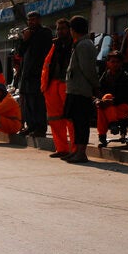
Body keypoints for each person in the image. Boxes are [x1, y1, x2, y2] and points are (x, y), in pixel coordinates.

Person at [62, 15, 100, 163]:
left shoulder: (85, 45)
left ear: (73, 30)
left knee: (81, 123)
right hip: (75, 90)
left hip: (81, 91)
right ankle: (76, 150)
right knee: (76, 123)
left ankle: (81, 153)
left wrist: (96, 87)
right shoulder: (80, 43)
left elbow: (88, 69)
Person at [41, 19, 74, 158]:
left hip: (67, 84)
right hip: (52, 85)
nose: (60, 31)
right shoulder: (55, 45)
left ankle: (75, 150)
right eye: (58, 28)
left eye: (63, 28)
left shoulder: (74, 44)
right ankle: (61, 149)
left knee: (70, 119)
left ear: (69, 29)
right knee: (55, 119)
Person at [16, 11, 52, 137]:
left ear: (39, 20)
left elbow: (45, 52)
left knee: (38, 103)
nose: (31, 22)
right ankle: (31, 127)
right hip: (26, 74)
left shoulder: (45, 33)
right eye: (30, 20)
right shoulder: (27, 34)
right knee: (28, 103)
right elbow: (20, 52)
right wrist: (25, 39)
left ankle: (40, 128)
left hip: (38, 74)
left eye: (34, 20)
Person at [96, 51, 128, 146]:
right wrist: (98, 101)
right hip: (109, 108)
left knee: (106, 100)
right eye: (112, 62)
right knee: (102, 106)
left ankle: (102, 135)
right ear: (108, 63)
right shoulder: (105, 75)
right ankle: (112, 124)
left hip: (123, 107)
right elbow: (98, 91)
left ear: (121, 63)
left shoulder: (126, 76)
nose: (115, 64)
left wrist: (112, 101)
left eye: (117, 62)